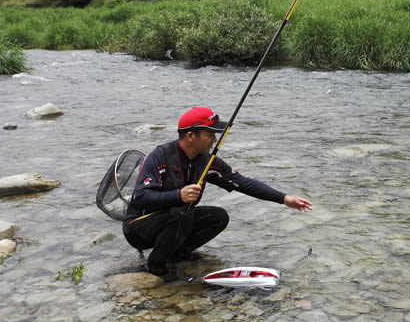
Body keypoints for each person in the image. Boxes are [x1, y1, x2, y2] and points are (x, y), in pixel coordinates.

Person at [122, 106, 312, 280]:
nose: (214, 140)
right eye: (210, 134)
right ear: (190, 136)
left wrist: (284, 198)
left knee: (218, 216)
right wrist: (178, 195)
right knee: (180, 213)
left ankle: (176, 254)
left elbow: (242, 183)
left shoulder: (206, 160)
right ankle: (155, 267)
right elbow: (141, 196)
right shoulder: (160, 156)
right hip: (138, 228)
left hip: (176, 219)